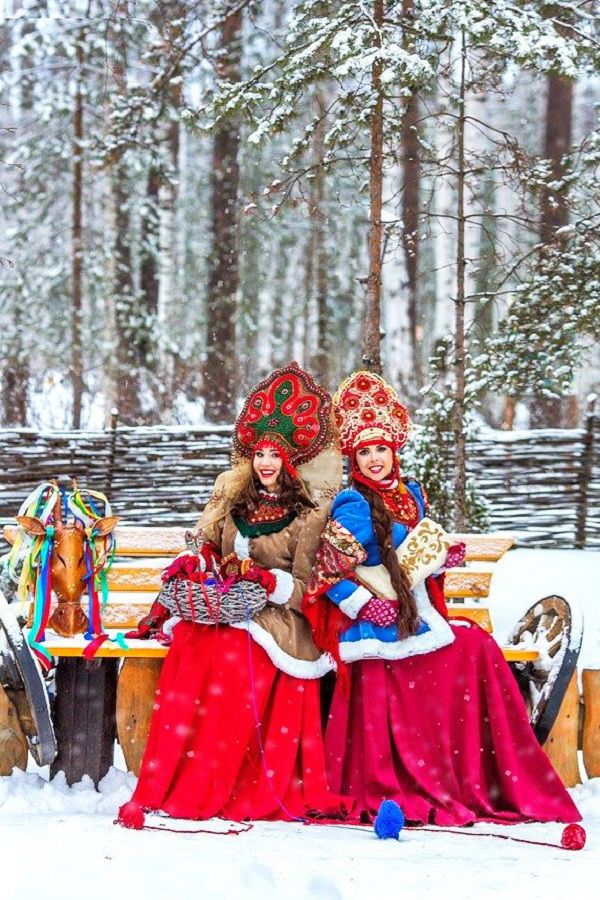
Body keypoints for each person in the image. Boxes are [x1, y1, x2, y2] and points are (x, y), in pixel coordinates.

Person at [303, 370, 581, 826]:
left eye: (381, 449)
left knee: (478, 649)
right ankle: (419, 775)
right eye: (365, 452)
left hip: (415, 620)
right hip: (375, 627)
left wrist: (441, 559)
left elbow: (416, 556)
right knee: (458, 654)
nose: (374, 459)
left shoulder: (410, 496)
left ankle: (470, 774)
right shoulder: (353, 505)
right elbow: (326, 573)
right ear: (355, 459)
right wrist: (364, 604)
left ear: (394, 451)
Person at [118, 363, 348, 825]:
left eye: (275, 454)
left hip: (279, 619)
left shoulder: (307, 515)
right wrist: (198, 562)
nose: (265, 462)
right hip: (226, 606)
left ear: (289, 460)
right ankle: (184, 779)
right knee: (192, 641)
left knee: (231, 653)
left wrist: (269, 582)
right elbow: (209, 550)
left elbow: (306, 589)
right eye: (259, 453)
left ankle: (231, 780)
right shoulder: (233, 503)